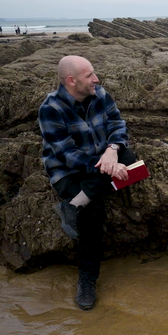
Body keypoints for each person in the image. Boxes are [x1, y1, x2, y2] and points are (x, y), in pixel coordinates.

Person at [38, 55, 135, 310]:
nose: (96, 79)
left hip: (102, 160)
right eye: (89, 75)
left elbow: (118, 125)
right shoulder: (51, 108)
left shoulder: (100, 94)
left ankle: (74, 204)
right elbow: (66, 155)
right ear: (71, 81)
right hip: (68, 172)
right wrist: (105, 165)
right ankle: (87, 280)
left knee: (133, 163)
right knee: (93, 210)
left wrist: (113, 150)